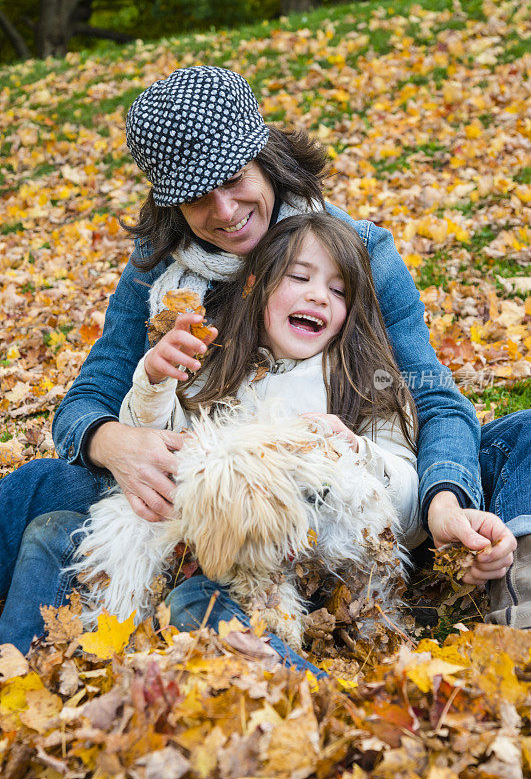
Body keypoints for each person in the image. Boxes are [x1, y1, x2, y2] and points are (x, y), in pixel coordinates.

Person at [0, 66, 526, 654]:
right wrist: (114, 443)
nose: (224, 211)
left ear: (267, 157)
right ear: (168, 204)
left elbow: (429, 396)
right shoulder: (158, 275)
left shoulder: (355, 252)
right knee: (35, 487)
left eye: (234, 179)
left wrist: (444, 500)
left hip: (343, 508)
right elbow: (87, 399)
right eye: (196, 196)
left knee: (520, 438)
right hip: (189, 501)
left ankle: (515, 587)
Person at [72, 211, 423, 673]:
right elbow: (156, 444)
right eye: (299, 278)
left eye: (339, 292)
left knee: (198, 607)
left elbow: (407, 512)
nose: (319, 295)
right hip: (199, 542)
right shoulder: (219, 367)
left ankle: (307, 691)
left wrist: (357, 453)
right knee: (170, 591)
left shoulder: (365, 384)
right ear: (256, 285)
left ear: (349, 314)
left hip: (307, 567)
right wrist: (155, 380)